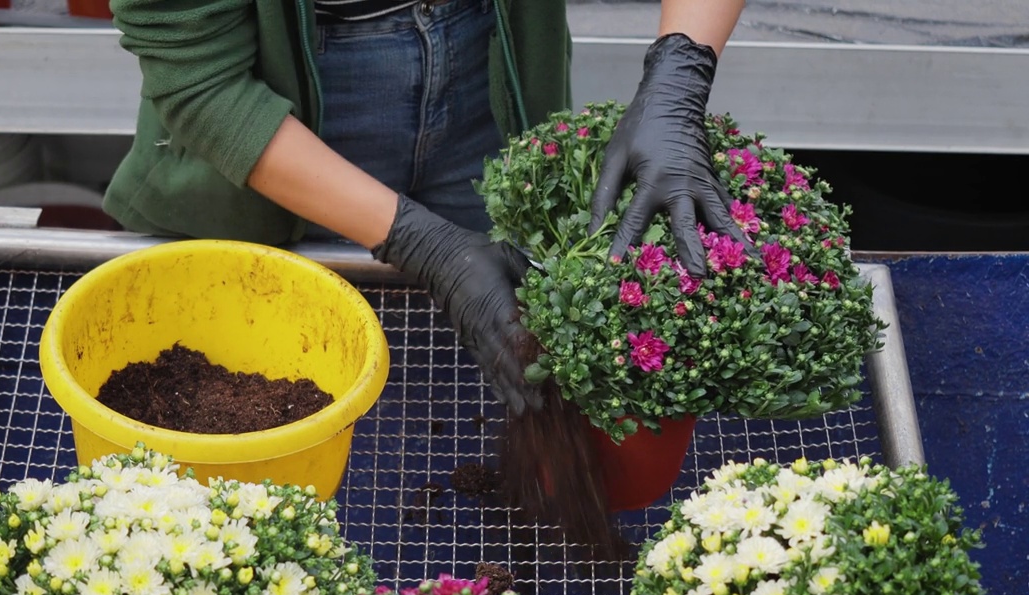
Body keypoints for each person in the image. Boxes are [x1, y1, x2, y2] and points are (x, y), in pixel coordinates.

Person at [103, 0, 746, 417]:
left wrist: (679, 75)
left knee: (513, 354)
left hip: (490, 50)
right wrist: (424, 243)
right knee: (294, 388)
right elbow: (199, 76)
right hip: (286, 102)